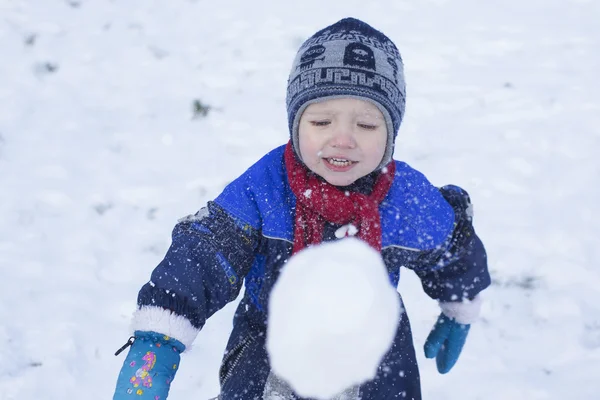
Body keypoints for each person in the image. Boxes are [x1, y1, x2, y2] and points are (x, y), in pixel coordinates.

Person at [112, 17, 491, 400]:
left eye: (366, 125)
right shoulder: (268, 186)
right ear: (296, 123)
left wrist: (460, 303)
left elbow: (451, 248)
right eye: (322, 121)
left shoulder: (403, 198)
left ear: (392, 132)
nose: (342, 140)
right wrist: (158, 338)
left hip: (374, 343)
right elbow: (208, 250)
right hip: (271, 338)